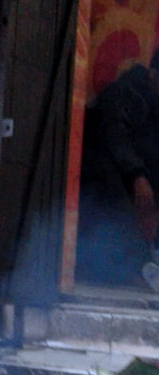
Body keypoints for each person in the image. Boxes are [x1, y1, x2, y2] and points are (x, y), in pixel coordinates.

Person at [77, 49, 159, 291]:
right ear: (153, 76)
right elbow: (114, 136)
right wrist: (137, 176)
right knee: (115, 196)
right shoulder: (126, 92)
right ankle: (138, 267)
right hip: (100, 170)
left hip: (130, 174)